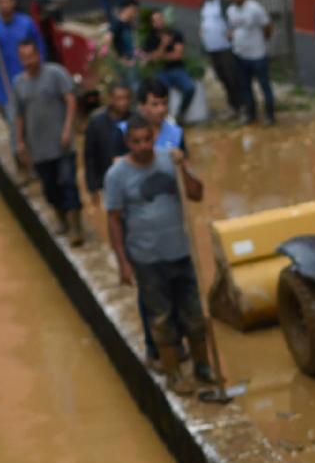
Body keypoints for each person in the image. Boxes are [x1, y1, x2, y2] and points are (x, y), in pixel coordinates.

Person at [103, 120, 220, 397]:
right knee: (161, 317)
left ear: (154, 137)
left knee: (194, 313)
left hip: (179, 251)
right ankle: (173, 373)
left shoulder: (170, 161)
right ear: (128, 143)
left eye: (147, 140)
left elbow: (197, 194)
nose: (143, 147)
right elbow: (114, 219)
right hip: (147, 258)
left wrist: (183, 167)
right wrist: (123, 262)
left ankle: (203, 366)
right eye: (136, 142)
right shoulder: (117, 175)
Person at [12, 39, 83, 245]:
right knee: (50, 188)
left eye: (31, 56)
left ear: (38, 55)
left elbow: (70, 100)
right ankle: (62, 219)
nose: (28, 61)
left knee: (69, 182)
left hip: (62, 144)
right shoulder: (19, 84)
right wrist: (20, 142)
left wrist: (68, 129)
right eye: (24, 58)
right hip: (39, 148)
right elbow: (19, 116)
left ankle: (76, 227)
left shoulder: (55, 74)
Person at [0, 0, 43, 166]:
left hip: (29, 82)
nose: (5, 5)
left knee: (33, 123)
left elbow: (40, 51)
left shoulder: (27, 24)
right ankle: (21, 160)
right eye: (1, 2)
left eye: (8, 1)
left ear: (14, 3)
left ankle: (38, 158)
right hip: (5, 86)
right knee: (15, 125)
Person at [224, 0, 275, 125]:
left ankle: (270, 115)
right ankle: (251, 114)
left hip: (258, 54)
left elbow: (268, 26)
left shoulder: (255, 8)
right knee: (245, 86)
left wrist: (264, 40)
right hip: (240, 54)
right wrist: (231, 36)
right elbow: (232, 28)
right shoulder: (231, 11)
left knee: (264, 85)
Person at [140, 8, 203, 124]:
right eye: (155, 20)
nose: (159, 22)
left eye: (160, 19)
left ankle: (180, 115)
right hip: (161, 71)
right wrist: (163, 45)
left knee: (190, 88)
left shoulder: (175, 33)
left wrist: (158, 56)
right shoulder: (150, 38)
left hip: (177, 69)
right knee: (161, 92)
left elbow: (177, 55)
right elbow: (152, 58)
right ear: (152, 23)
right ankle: (165, 117)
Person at [196, 0, 241, 120]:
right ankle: (232, 105)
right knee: (221, 77)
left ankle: (238, 105)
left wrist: (232, 32)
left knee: (232, 77)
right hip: (212, 48)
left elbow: (234, 18)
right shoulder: (204, 4)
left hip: (225, 47)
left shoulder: (223, 2)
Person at [83, 80, 132, 209]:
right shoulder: (96, 123)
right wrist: (93, 187)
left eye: (127, 98)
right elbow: (90, 156)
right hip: (107, 182)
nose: (124, 102)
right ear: (111, 99)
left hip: (133, 180)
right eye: (119, 98)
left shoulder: (136, 120)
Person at [135, 78, 183, 152]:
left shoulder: (177, 133)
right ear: (141, 106)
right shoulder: (124, 132)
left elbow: (185, 162)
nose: (161, 109)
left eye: (164, 103)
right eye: (155, 104)